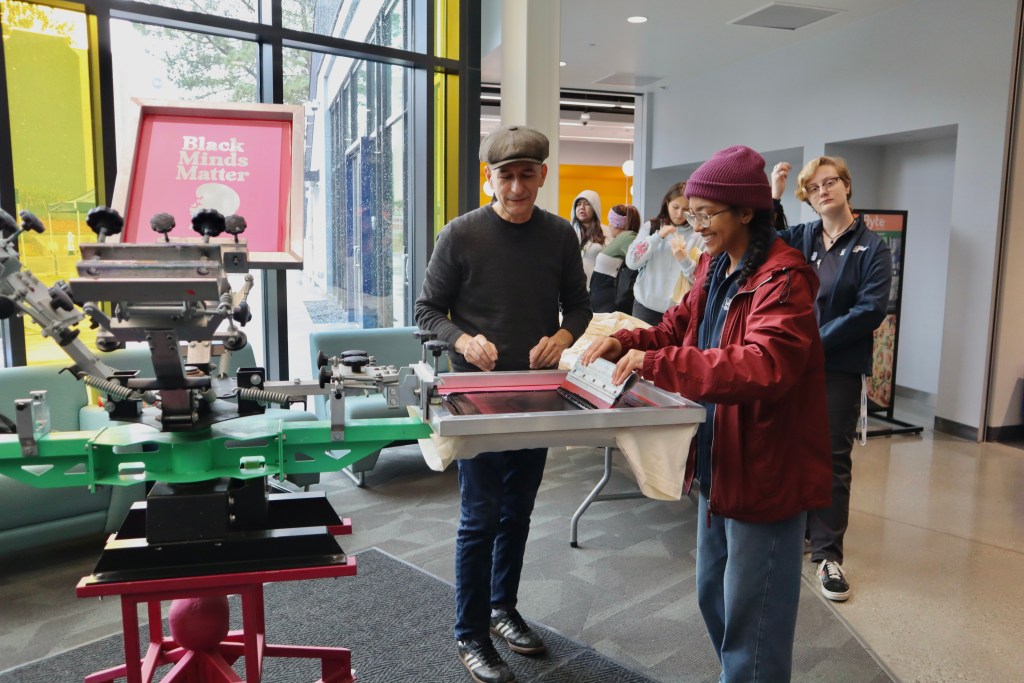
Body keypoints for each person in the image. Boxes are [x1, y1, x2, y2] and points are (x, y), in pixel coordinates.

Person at [580, 145, 831, 682]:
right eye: (690, 214)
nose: (694, 227)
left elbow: (762, 366)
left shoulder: (784, 279)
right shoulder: (717, 268)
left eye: (705, 214)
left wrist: (658, 363)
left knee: (753, 621)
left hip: (764, 469)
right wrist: (623, 340)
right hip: (719, 459)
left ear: (746, 211)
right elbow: (676, 326)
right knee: (713, 596)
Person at [415, 124, 592, 683]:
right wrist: (463, 340)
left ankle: (502, 609)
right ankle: (469, 633)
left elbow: (580, 310)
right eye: (505, 176)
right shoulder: (462, 234)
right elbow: (425, 312)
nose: (516, 187)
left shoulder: (561, 235)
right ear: (489, 179)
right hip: (477, 397)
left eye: (526, 175)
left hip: (536, 395)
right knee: (479, 516)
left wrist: (563, 338)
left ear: (542, 175)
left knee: (518, 510)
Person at [772, 157, 892, 602]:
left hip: (835, 367)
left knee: (830, 456)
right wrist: (774, 192)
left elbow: (871, 309)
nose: (823, 190)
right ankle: (796, 529)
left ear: (846, 187)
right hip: (790, 364)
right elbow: (761, 242)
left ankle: (827, 555)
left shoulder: (872, 247)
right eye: (813, 186)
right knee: (787, 444)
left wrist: (814, 344)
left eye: (831, 182)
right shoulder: (802, 237)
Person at [625, 181, 704, 325]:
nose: (679, 214)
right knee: (639, 347)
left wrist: (684, 260)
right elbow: (632, 262)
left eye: (686, 209)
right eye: (675, 207)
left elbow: (701, 279)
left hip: (679, 314)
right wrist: (657, 237)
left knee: (673, 349)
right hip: (644, 308)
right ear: (667, 203)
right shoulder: (651, 227)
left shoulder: (699, 234)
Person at [588, 204, 639, 313]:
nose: (609, 225)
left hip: (608, 298)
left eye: (610, 221)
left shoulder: (628, 236)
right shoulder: (620, 239)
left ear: (616, 223)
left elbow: (638, 261)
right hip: (602, 295)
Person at [569, 190, 607, 290]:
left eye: (587, 204)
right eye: (578, 204)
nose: (582, 207)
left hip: (597, 289)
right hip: (572, 288)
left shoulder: (605, 231)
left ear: (595, 208)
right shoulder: (567, 230)